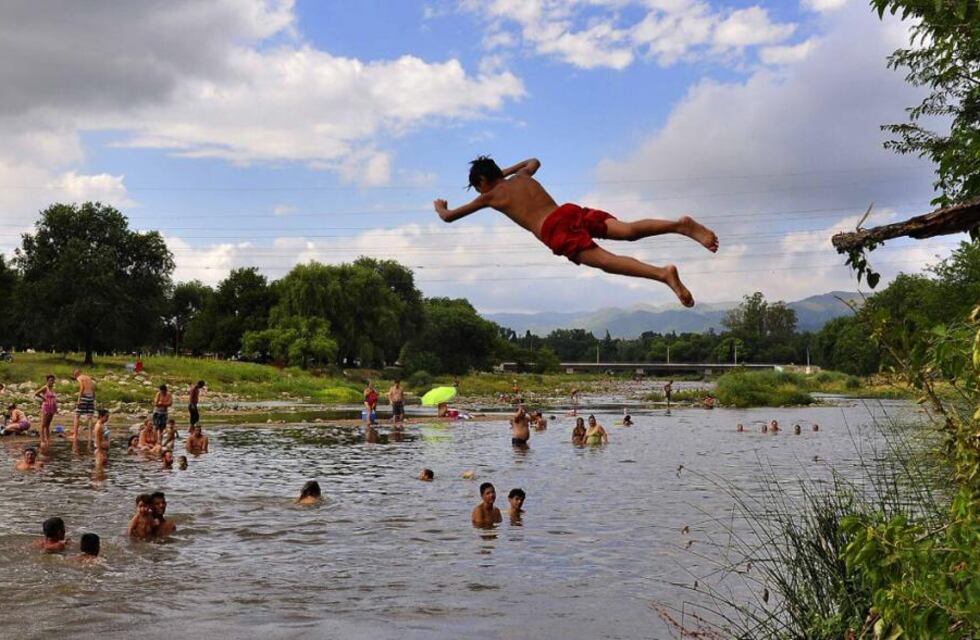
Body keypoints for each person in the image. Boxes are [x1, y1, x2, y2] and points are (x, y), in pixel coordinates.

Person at [434, 157, 718, 306]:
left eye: (478, 185)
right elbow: (534, 160)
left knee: (607, 261)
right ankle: (679, 225)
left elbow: (449, 217)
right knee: (629, 230)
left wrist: (440, 207)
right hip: (568, 211)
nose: (480, 191)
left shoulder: (490, 195)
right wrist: (504, 172)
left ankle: (662, 274)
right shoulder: (522, 177)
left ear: (483, 180)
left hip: (553, 229)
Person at [71, 369, 96, 445]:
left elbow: (82, 387)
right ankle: (90, 435)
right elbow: (93, 387)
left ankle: (75, 434)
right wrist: (93, 397)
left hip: (84, 396)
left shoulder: (80, 378)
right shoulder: (88, 377)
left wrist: (79, 399)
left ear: (76, 374)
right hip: (91, 396)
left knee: (77, 415)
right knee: (90, 417)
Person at [34, 374, 58, 446]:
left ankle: (48, 439)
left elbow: (54, 399)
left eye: (53, 380)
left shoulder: (52, 388)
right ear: (47, 381)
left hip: (52, 407)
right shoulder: (45, 387)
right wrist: (43, 398)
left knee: (48, 425)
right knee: (43, 424)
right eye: (50, 380)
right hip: (46, 407)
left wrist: (56, 408)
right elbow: (36, 393)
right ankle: (42, 440)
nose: (52, 382)